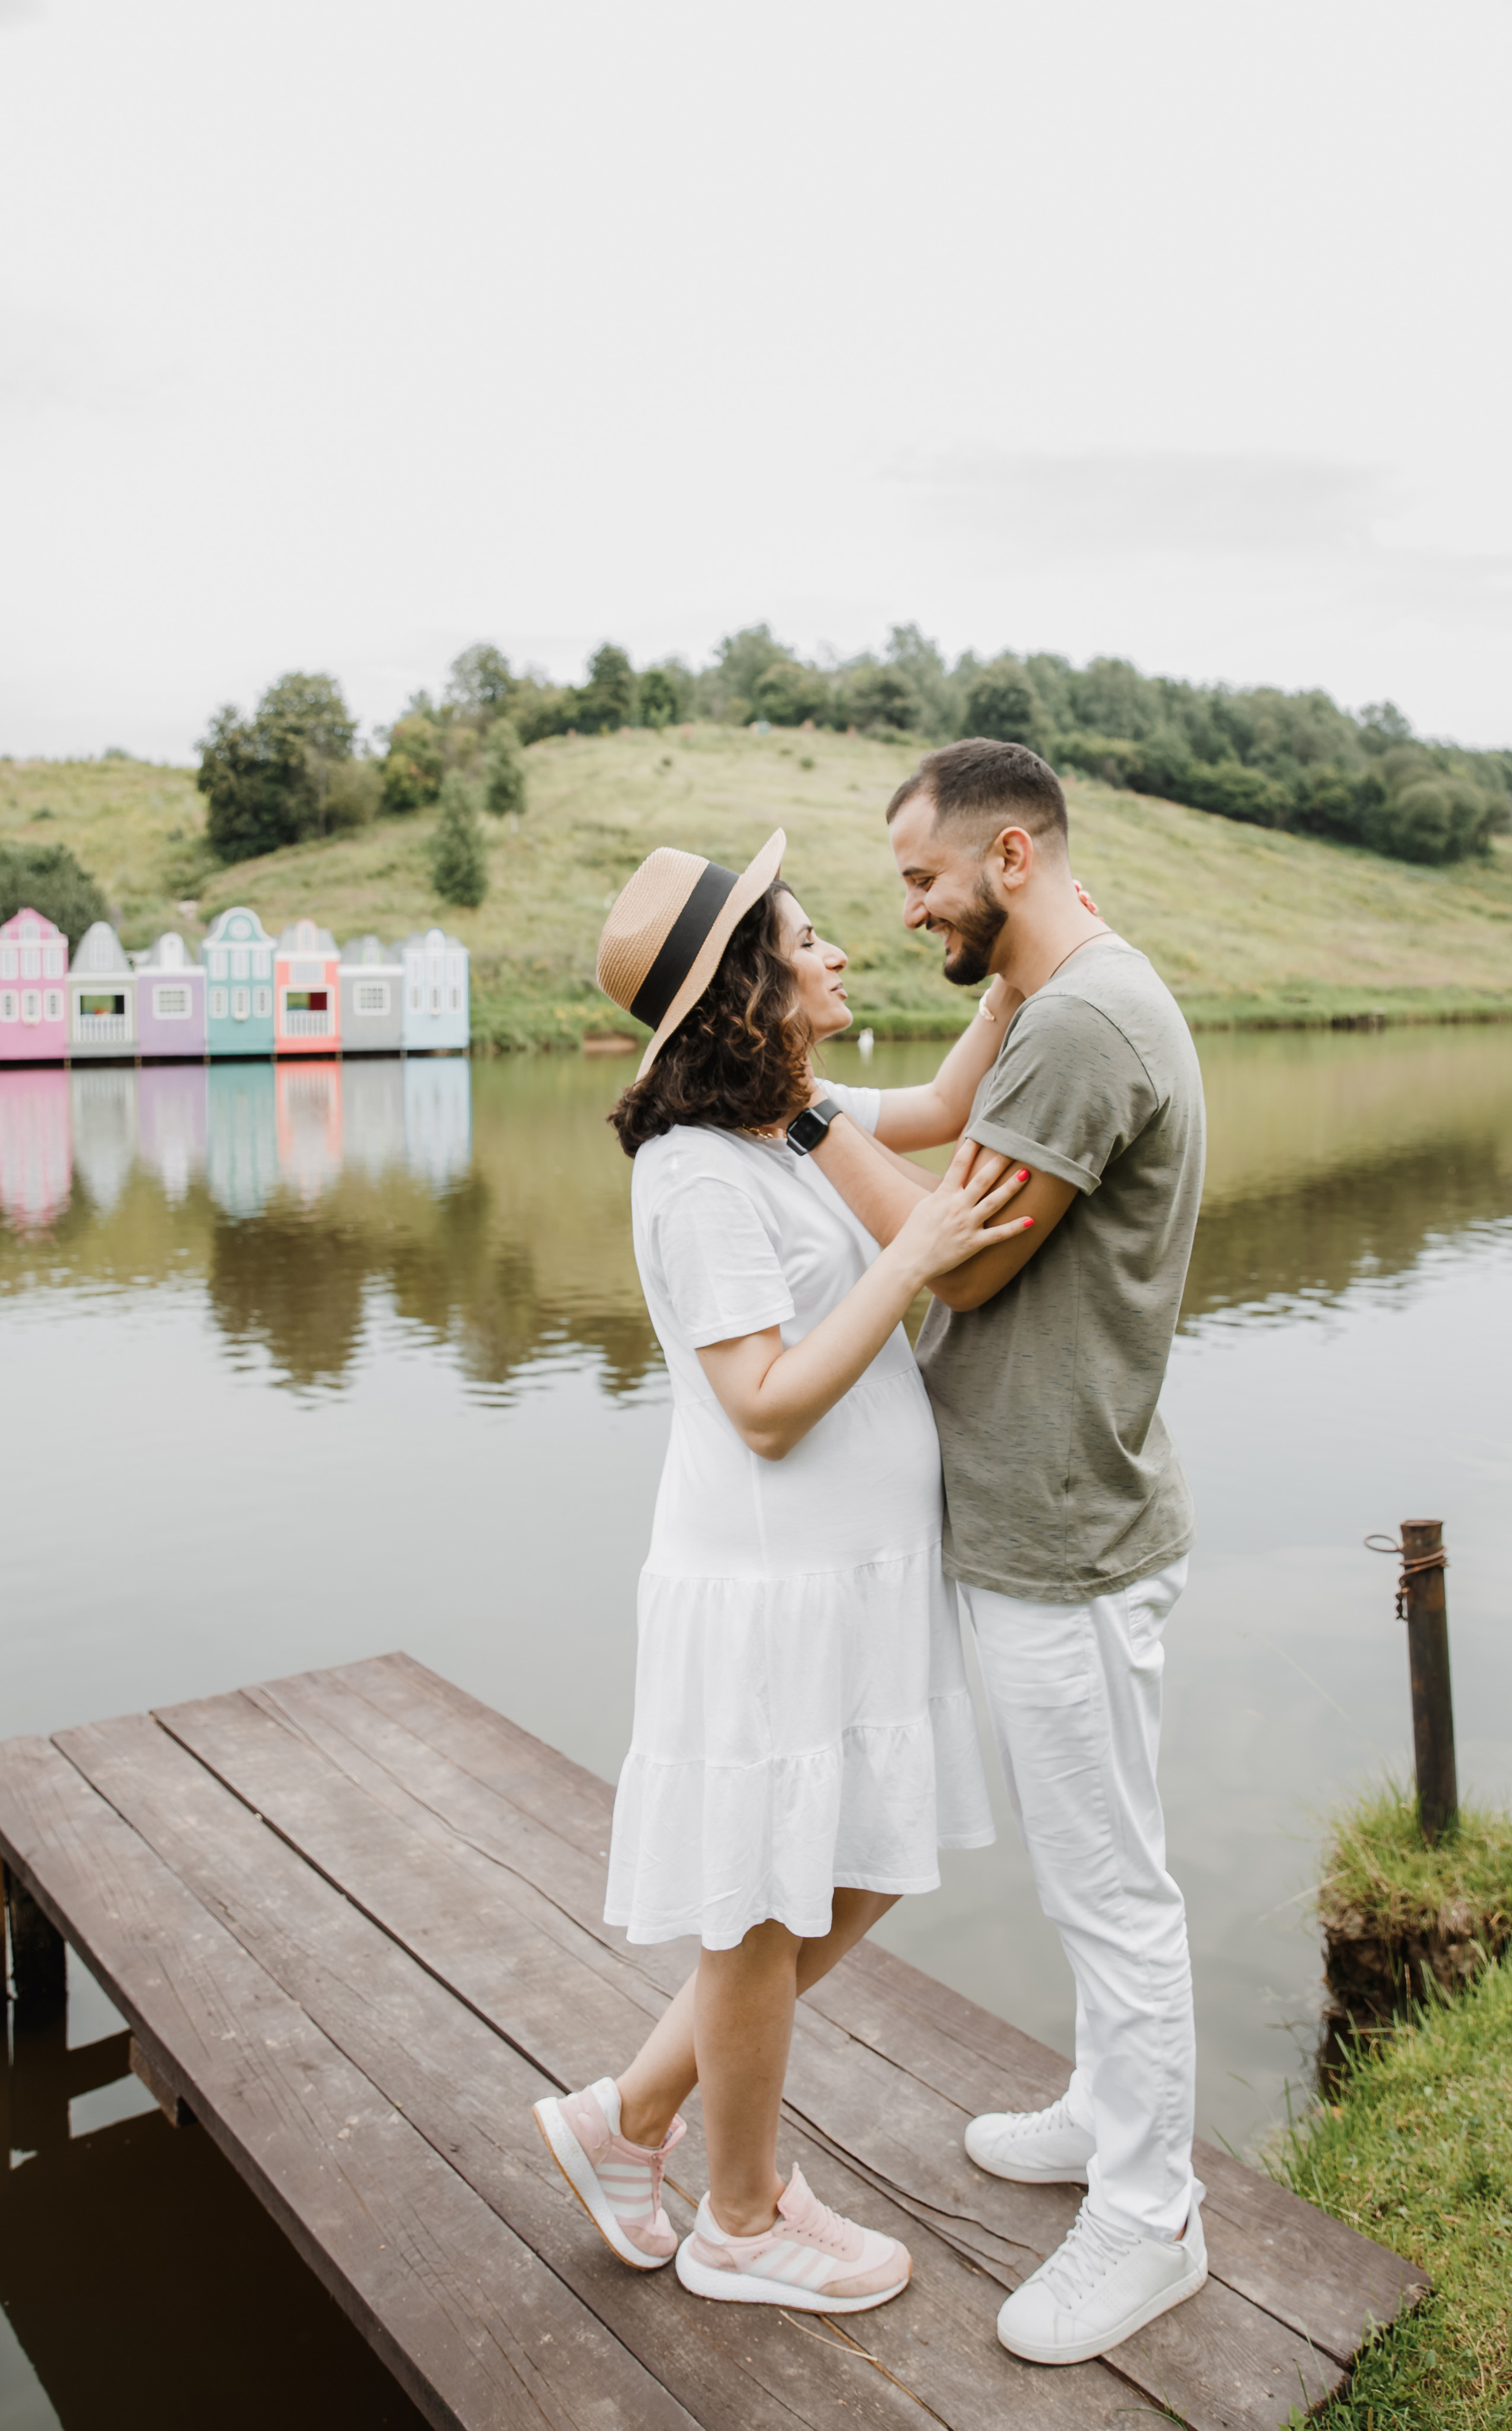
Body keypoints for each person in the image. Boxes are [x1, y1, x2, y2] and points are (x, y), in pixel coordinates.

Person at [534, 826, 1030, 2315]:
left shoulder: (788, 1118)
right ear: (753, 987)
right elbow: (758, 1407)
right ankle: (737, 2219)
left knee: (859, 1867)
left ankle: (621, 2116)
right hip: (767, 1589)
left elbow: (945, 1104)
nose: (832, 954)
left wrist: (1013, 948)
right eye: (805, 941)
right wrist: (909, 1258)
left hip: (854, 1580)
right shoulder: (695, 1174)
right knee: (756, 1908)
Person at [797, 738, 1208, 2366]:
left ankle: (1153, 2214)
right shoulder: (1052, 996)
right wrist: (826, 1095)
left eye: (922, 879)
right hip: (1062, 1514)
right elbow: (946, 1113)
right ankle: (1110, 2106)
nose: (901, 910)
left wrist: (779, 1107)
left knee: (1111, 1887)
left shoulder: (1084, 1028)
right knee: (1088, 1862)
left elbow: (953, 1267)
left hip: (1066, 1538)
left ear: (1014, 859)